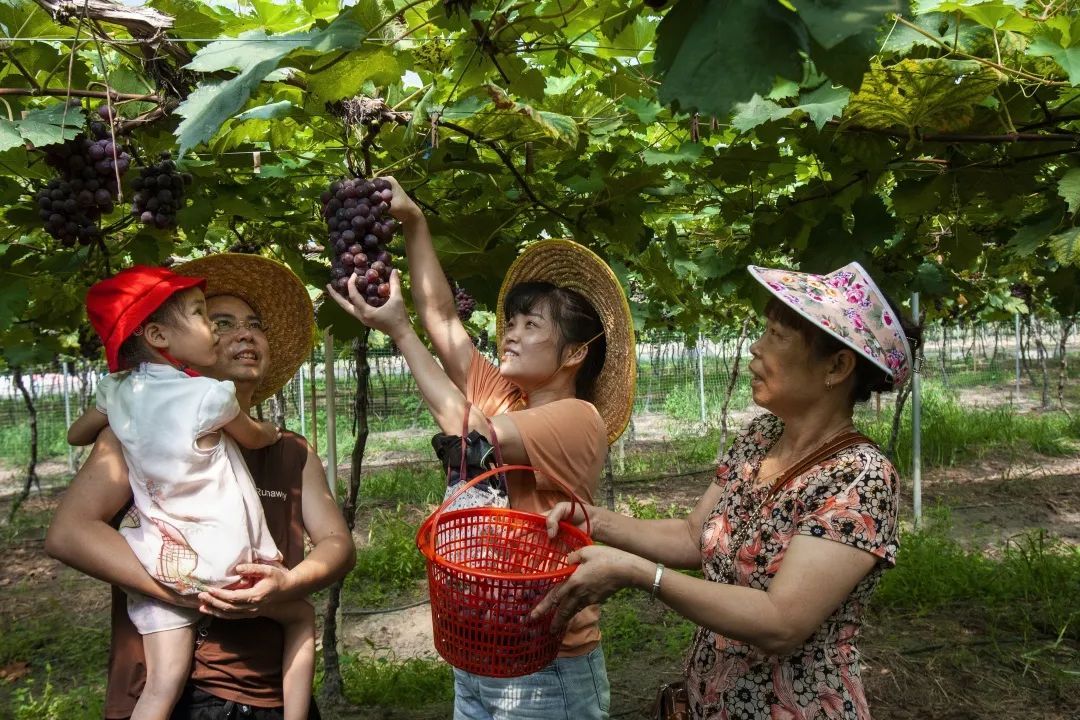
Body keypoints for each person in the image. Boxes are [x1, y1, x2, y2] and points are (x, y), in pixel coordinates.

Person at [533, 262, 921, 720]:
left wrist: (640, 574)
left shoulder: (860, 477)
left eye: (777, 335)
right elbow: (693, 536)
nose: (756, 347)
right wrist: (593, 519)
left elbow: (781, 621)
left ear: (836, 366)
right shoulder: (761, 437)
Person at [326, 178, 636, 720]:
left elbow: (471, 431)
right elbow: (443, 320)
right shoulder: (507, 396)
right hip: (478, 649)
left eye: (531, 324)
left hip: (547, 662)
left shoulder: (578, 418)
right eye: (510, 322)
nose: (510, 333)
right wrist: (414, 221)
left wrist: (400, 333)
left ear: (574, 354)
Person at [46, 254, 354, 720]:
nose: (244, 333)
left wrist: (287, 584)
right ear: (171, 347)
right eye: (220, 321)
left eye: (254, 324)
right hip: (190, 695)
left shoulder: (290, 450)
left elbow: (338, 545)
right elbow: (68, 535)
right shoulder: (133, 435)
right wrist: (193, 593)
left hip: (273, 690)